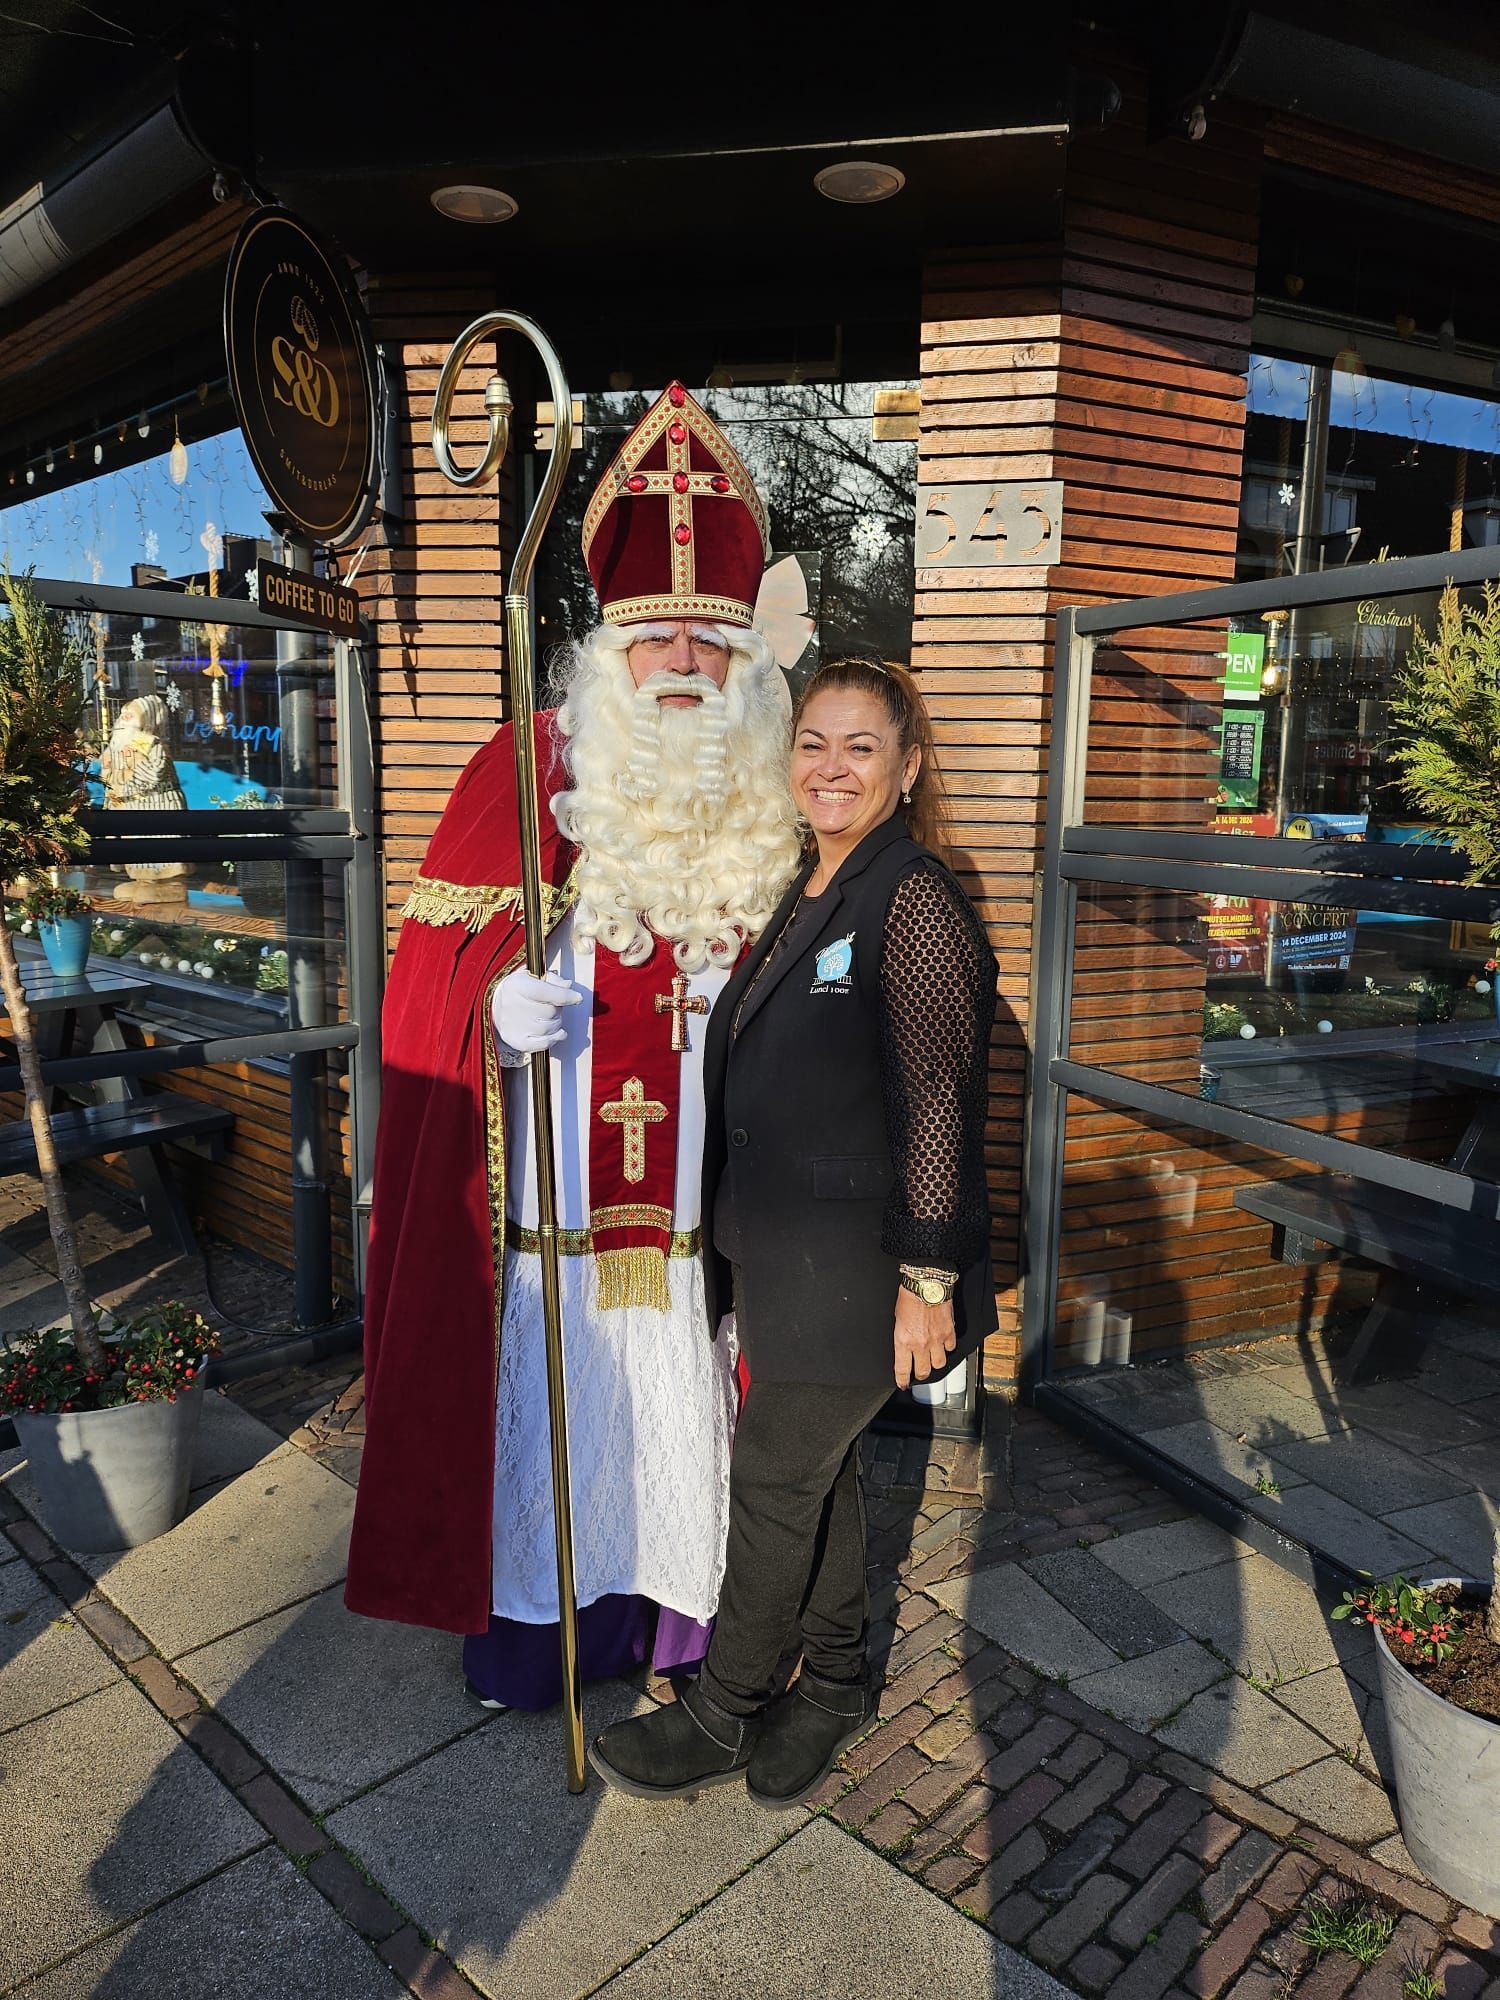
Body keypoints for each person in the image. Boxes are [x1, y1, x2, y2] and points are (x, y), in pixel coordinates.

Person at [345, 383, 802, 1708]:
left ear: (743, 663)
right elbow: (425, 991)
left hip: (689, 1239)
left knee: (676, 1428)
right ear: (606, 646)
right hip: (549, 1223)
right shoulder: (523, 767)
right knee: (558, 1417)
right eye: (653, 634)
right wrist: (489, 1016)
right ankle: (540, 1648)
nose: (678, 662)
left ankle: (674, 1637)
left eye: (707, 641)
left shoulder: (766, 797)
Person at [590, 656, 998, 1804]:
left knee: (773, 1476)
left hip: (863, 1267)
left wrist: (927, 1275)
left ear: (908, 768)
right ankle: (836, 1681)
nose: (831, 766)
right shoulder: (813, 887)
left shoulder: (908, 895)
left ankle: (723, 1709)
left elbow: (937, 1091)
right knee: (817, 1474)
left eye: (861, 746)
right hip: (788, 1259)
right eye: (813, 742)